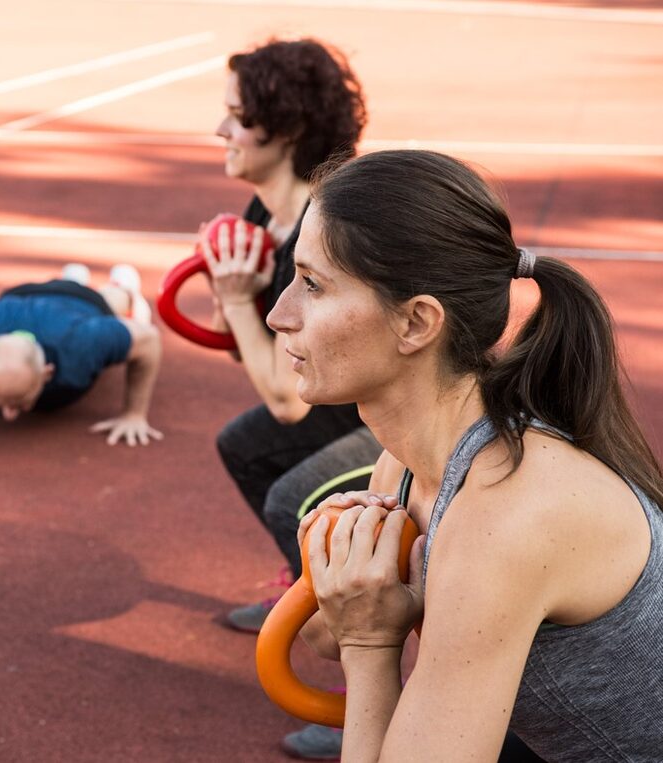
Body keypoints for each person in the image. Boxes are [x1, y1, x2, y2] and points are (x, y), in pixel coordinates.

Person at [273, 149, 663, 761]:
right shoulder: (406, 462)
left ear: (416, 323)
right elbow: (326, 636)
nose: (279, 314)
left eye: (313, 285)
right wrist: (348, 583)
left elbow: (359, 642)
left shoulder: (504, 516)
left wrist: (373, 647)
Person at [201, 37, 382, 636]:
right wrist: (235, 301)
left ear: (285, 128)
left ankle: (363, 675)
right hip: (348, 396)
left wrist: (233, 299)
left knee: (292, 500)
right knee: (242, 446)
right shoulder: (264, 214)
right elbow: (244, 352)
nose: (220, 128)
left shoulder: (320, 229)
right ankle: (303, 590)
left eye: (239, 115)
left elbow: (285, 399)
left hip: (399, 416)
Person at [0, 264, 163, 446]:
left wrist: (134, 414)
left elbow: (148, 339)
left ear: (48, 371)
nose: (9, 415)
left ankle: (122, 285)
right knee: (67, 291)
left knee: (118, 304)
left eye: (20, 402)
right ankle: (72, 276)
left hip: (77, 302)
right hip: (19, 296)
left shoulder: (81, 344)